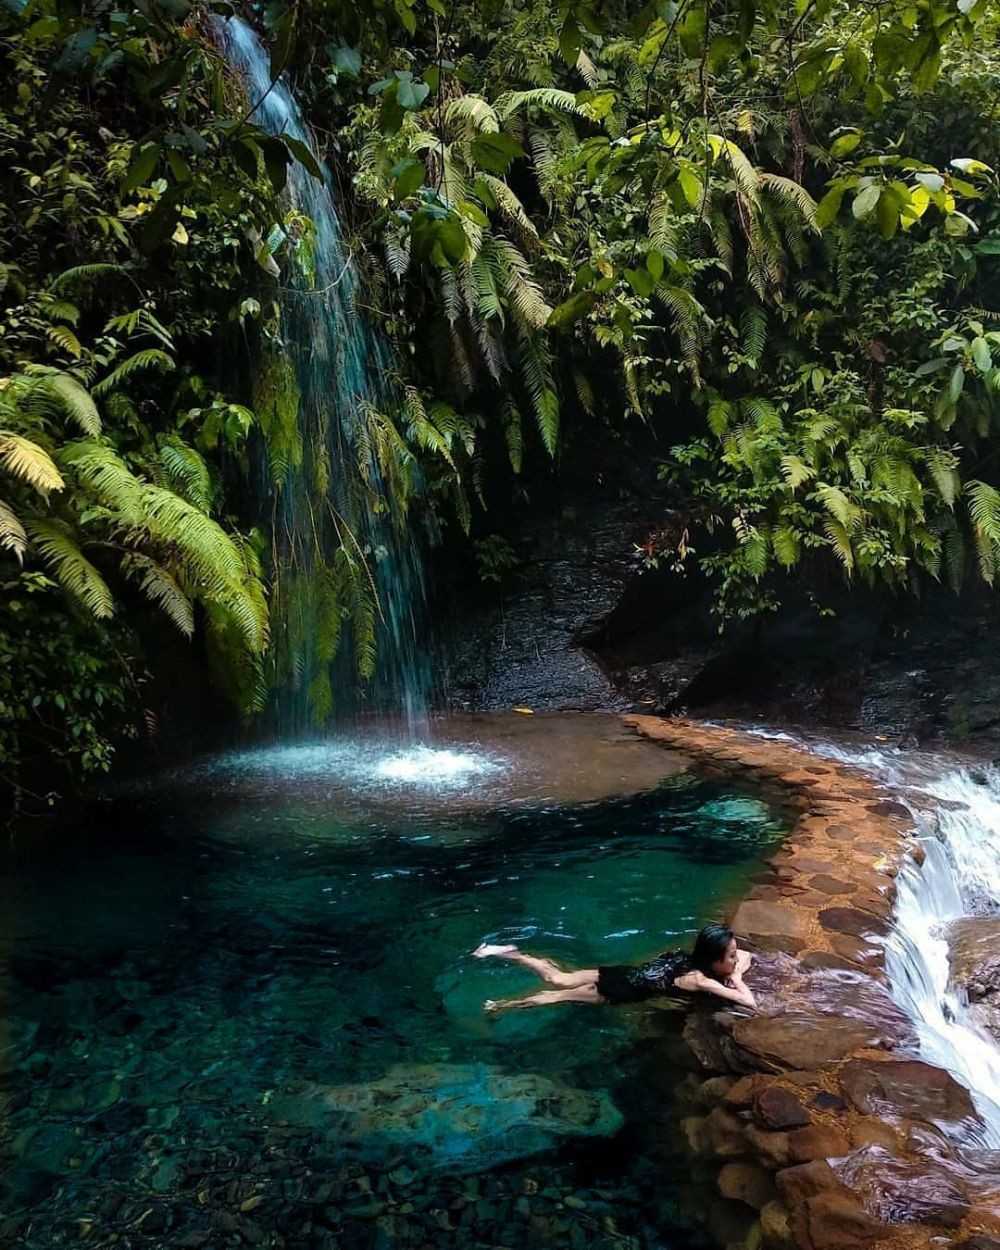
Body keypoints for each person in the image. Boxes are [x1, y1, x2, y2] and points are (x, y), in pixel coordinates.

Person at [472, 922, 755, 1013]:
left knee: (558, 978)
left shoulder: (689, 957)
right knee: (555, 996)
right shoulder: (701, 980)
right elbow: (748, 1002)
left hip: (622, 972)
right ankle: (501, 1006)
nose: (735, 958)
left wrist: (734, 965)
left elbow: (744, 953)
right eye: (729, 956)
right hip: (618, 990)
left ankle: (513, 954)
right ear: (714, 958)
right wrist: (738, 976)